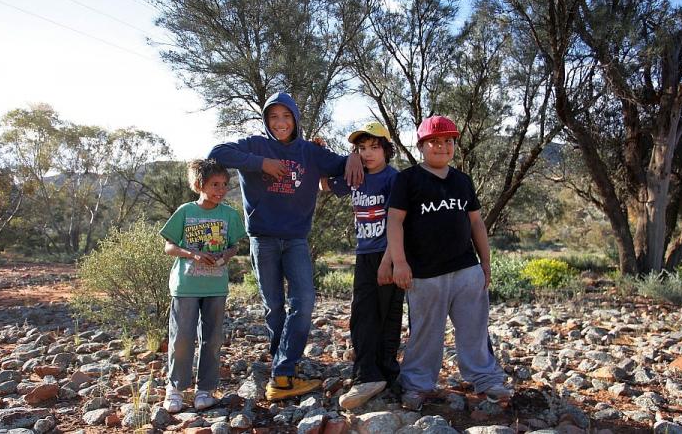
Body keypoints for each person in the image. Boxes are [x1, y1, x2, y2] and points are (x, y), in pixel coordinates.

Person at [208, 92, 363, 401]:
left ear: (295, 119)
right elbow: (217, 152)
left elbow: (346, 167)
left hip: (295, 239)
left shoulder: (309, 152)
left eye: (286, 116)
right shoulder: (255, 145)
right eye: (273, 117)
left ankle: (283, 371)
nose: (280, 123)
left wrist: (355, 155)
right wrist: (261, 163)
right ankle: (283, 371)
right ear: (266, 120)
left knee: (303, 300)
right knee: (274, 306)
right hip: (262, 238)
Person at [386, 115, 512, 411]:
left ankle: (485, 378)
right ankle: (417, 385)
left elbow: (477, 223)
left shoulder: (462, 180)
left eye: (448, 141)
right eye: (434, 141)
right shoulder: (407, 179)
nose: (441, 147)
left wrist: (486, 264)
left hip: (466, 269)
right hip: (425, 274)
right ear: (421, 145)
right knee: (426, 332)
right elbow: (394, 222)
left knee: (475, 329)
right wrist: (399, 263)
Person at [320, 121, 403, 410]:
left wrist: (390, 261)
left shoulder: (394, 179)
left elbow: (399, 223)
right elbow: (324, 183)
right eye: (361, 148)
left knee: (387, 314)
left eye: (374, 147)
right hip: (363, 253)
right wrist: (338, 157)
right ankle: (367, 373)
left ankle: (385, 374)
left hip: (388, 253)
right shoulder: (355, 175)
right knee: (362, 313)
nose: (368, 153)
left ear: (386, 149)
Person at [159, 159, 246, 413]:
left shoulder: (229, 215)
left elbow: (234, 245)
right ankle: (175, 389)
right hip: (186, 286)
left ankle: (205, 390)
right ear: (199, 185)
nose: (221, 189)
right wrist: (193, 254)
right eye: (214, 184)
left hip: (216, 286)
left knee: (212, 340)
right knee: (182, 338)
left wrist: (225, 256)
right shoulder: (186, 211)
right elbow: (169, 246)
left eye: (225, 185)